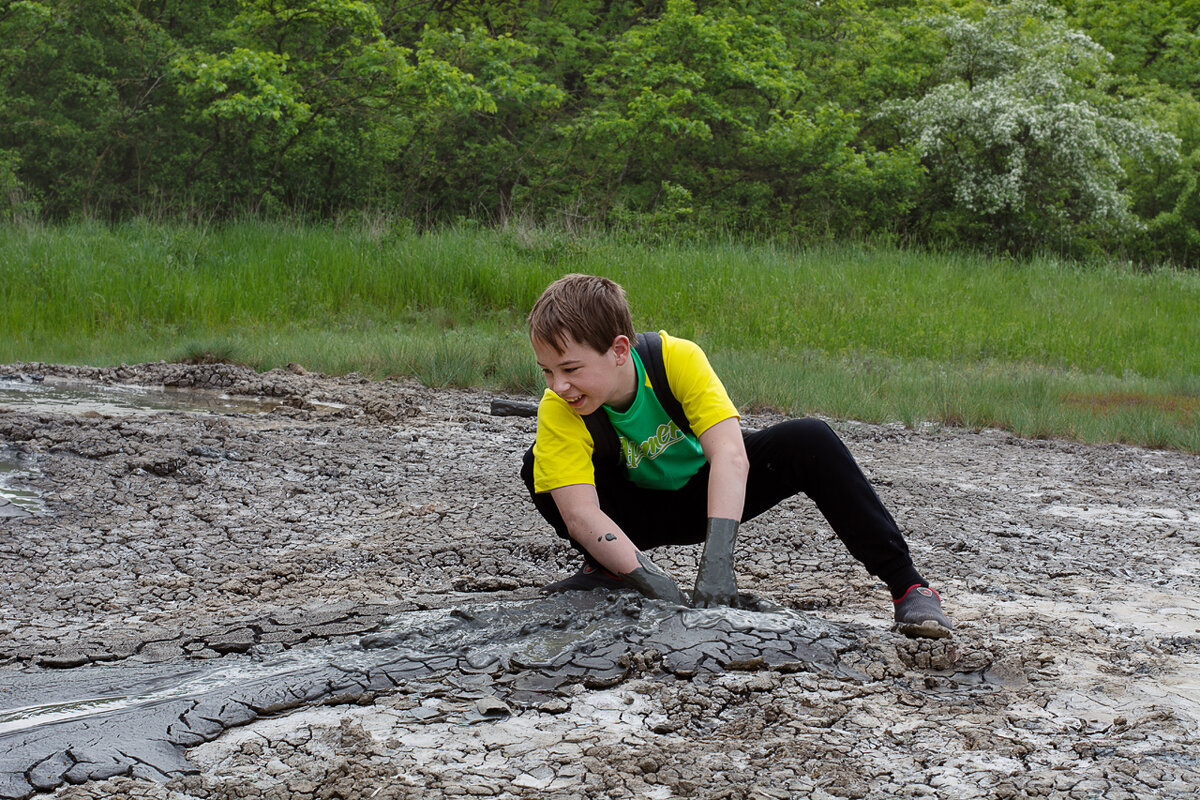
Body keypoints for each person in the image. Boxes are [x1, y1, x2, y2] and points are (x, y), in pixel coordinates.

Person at [519, 273, 952, 639]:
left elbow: (730, 455)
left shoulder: (676, 359)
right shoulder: (558, 407)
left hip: (708, 498)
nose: (559, 385)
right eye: (548, 371)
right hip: (629, 519)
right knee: (538, 464)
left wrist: (718, 564)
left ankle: (909, 586)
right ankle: (613, 571)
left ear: (618, 350)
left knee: (811, 439)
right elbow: (579, 515)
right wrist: (658, 586)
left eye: (571, 369)